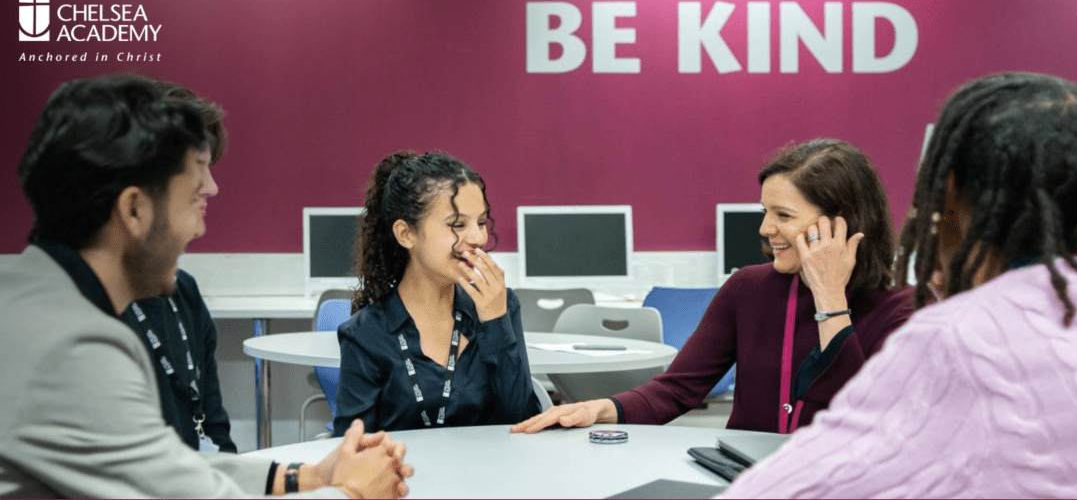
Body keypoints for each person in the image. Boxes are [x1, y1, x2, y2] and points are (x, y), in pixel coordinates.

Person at [724, 72, 1077, 498]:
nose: (767, 229)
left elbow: (798, 486)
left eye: (783, 215)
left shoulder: (957, 335)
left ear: (949, 193)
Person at [0, 73, 412, 498]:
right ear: (134, 209)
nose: (211, 192)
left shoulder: (34, 302)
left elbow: (165, 467)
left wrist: (311, 477)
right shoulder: (72, 348)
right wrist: (354, 493)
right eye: (196, 188)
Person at [513, 139, 915, 435]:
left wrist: (829, 300)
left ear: (839, 224)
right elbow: (678, 388)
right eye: (765, 211)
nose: (764, 229)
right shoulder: (749, 289)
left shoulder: (902, 310)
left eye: (783, 215)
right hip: (747, 480)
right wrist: (600, 409)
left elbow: (866, 413)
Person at [333, 151, 540, 433]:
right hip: (406, 476)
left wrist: (495, 323)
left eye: (481, 222)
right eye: (457, 225)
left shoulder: (499, 305)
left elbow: (524, 422)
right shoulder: (366, 333)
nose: (479, 238)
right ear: (406, 234)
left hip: (490, 475)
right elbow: (353, 452)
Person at [118, 82, 236, 453]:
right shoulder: (82, 306)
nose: (212, 188)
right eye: (198, 168)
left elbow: (214, 430)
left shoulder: (182, 292)